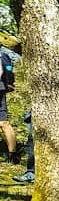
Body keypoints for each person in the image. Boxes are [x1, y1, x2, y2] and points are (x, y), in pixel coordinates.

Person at [0, 37, 18, 165]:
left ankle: (12, 155)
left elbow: (4, 70)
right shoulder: (3, 54)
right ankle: (13, 156)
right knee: (4, 123)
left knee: (4, 123)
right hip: (1, 88)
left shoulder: (2, 54)